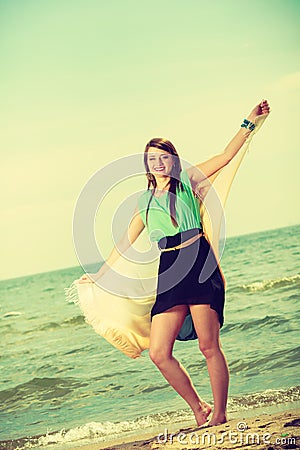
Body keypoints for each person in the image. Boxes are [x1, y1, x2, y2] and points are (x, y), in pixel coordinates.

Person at [78, 100, 270, 427]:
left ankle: (220, 414)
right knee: (159, 353)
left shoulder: (189, 181)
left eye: (164, 156)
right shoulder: (143, 201)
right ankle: (199, 407)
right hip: (168, 271)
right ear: (146, 165)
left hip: (198, 262)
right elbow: (124, 242)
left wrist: (249, 122)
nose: (159, 162)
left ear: (173, 159)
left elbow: (225, 156)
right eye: (152, 158)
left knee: (209, 346)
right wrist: (99, 275)